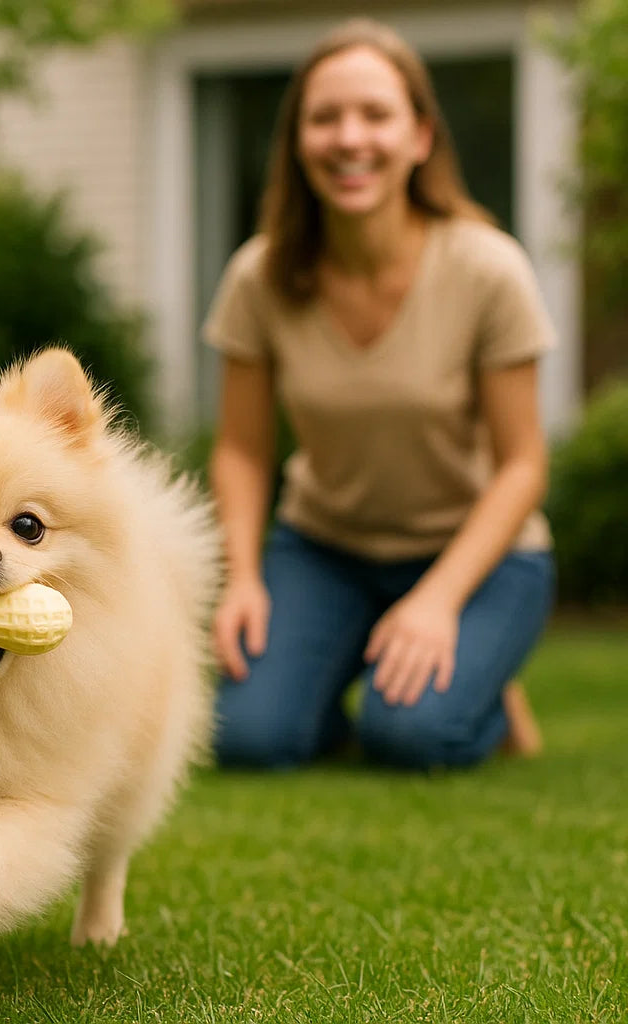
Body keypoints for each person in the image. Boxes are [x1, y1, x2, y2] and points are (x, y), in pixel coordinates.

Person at [204, 17, 556, 771]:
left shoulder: (489, 269)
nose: (349, 138)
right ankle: (369, 668)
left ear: (420, 136)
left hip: (478, 557)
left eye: (375, 115)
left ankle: (483, 690)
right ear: (298, 142)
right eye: (325, 118)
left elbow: (524, 466)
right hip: (326, 551)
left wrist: (438, 600)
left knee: (410, 737)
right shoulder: (258, 277)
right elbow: (240, 450)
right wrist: (243, 578)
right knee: (248, 737)